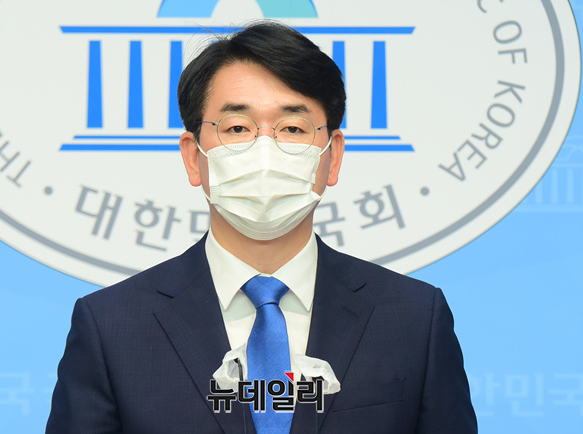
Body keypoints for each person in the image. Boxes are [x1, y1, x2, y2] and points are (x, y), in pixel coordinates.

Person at [46, 21, 477, 433]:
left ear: (333, 156)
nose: (265, 149)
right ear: (193, 157)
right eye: (237, 128)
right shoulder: (111, 327)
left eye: (292, 128)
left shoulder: (413, 319)